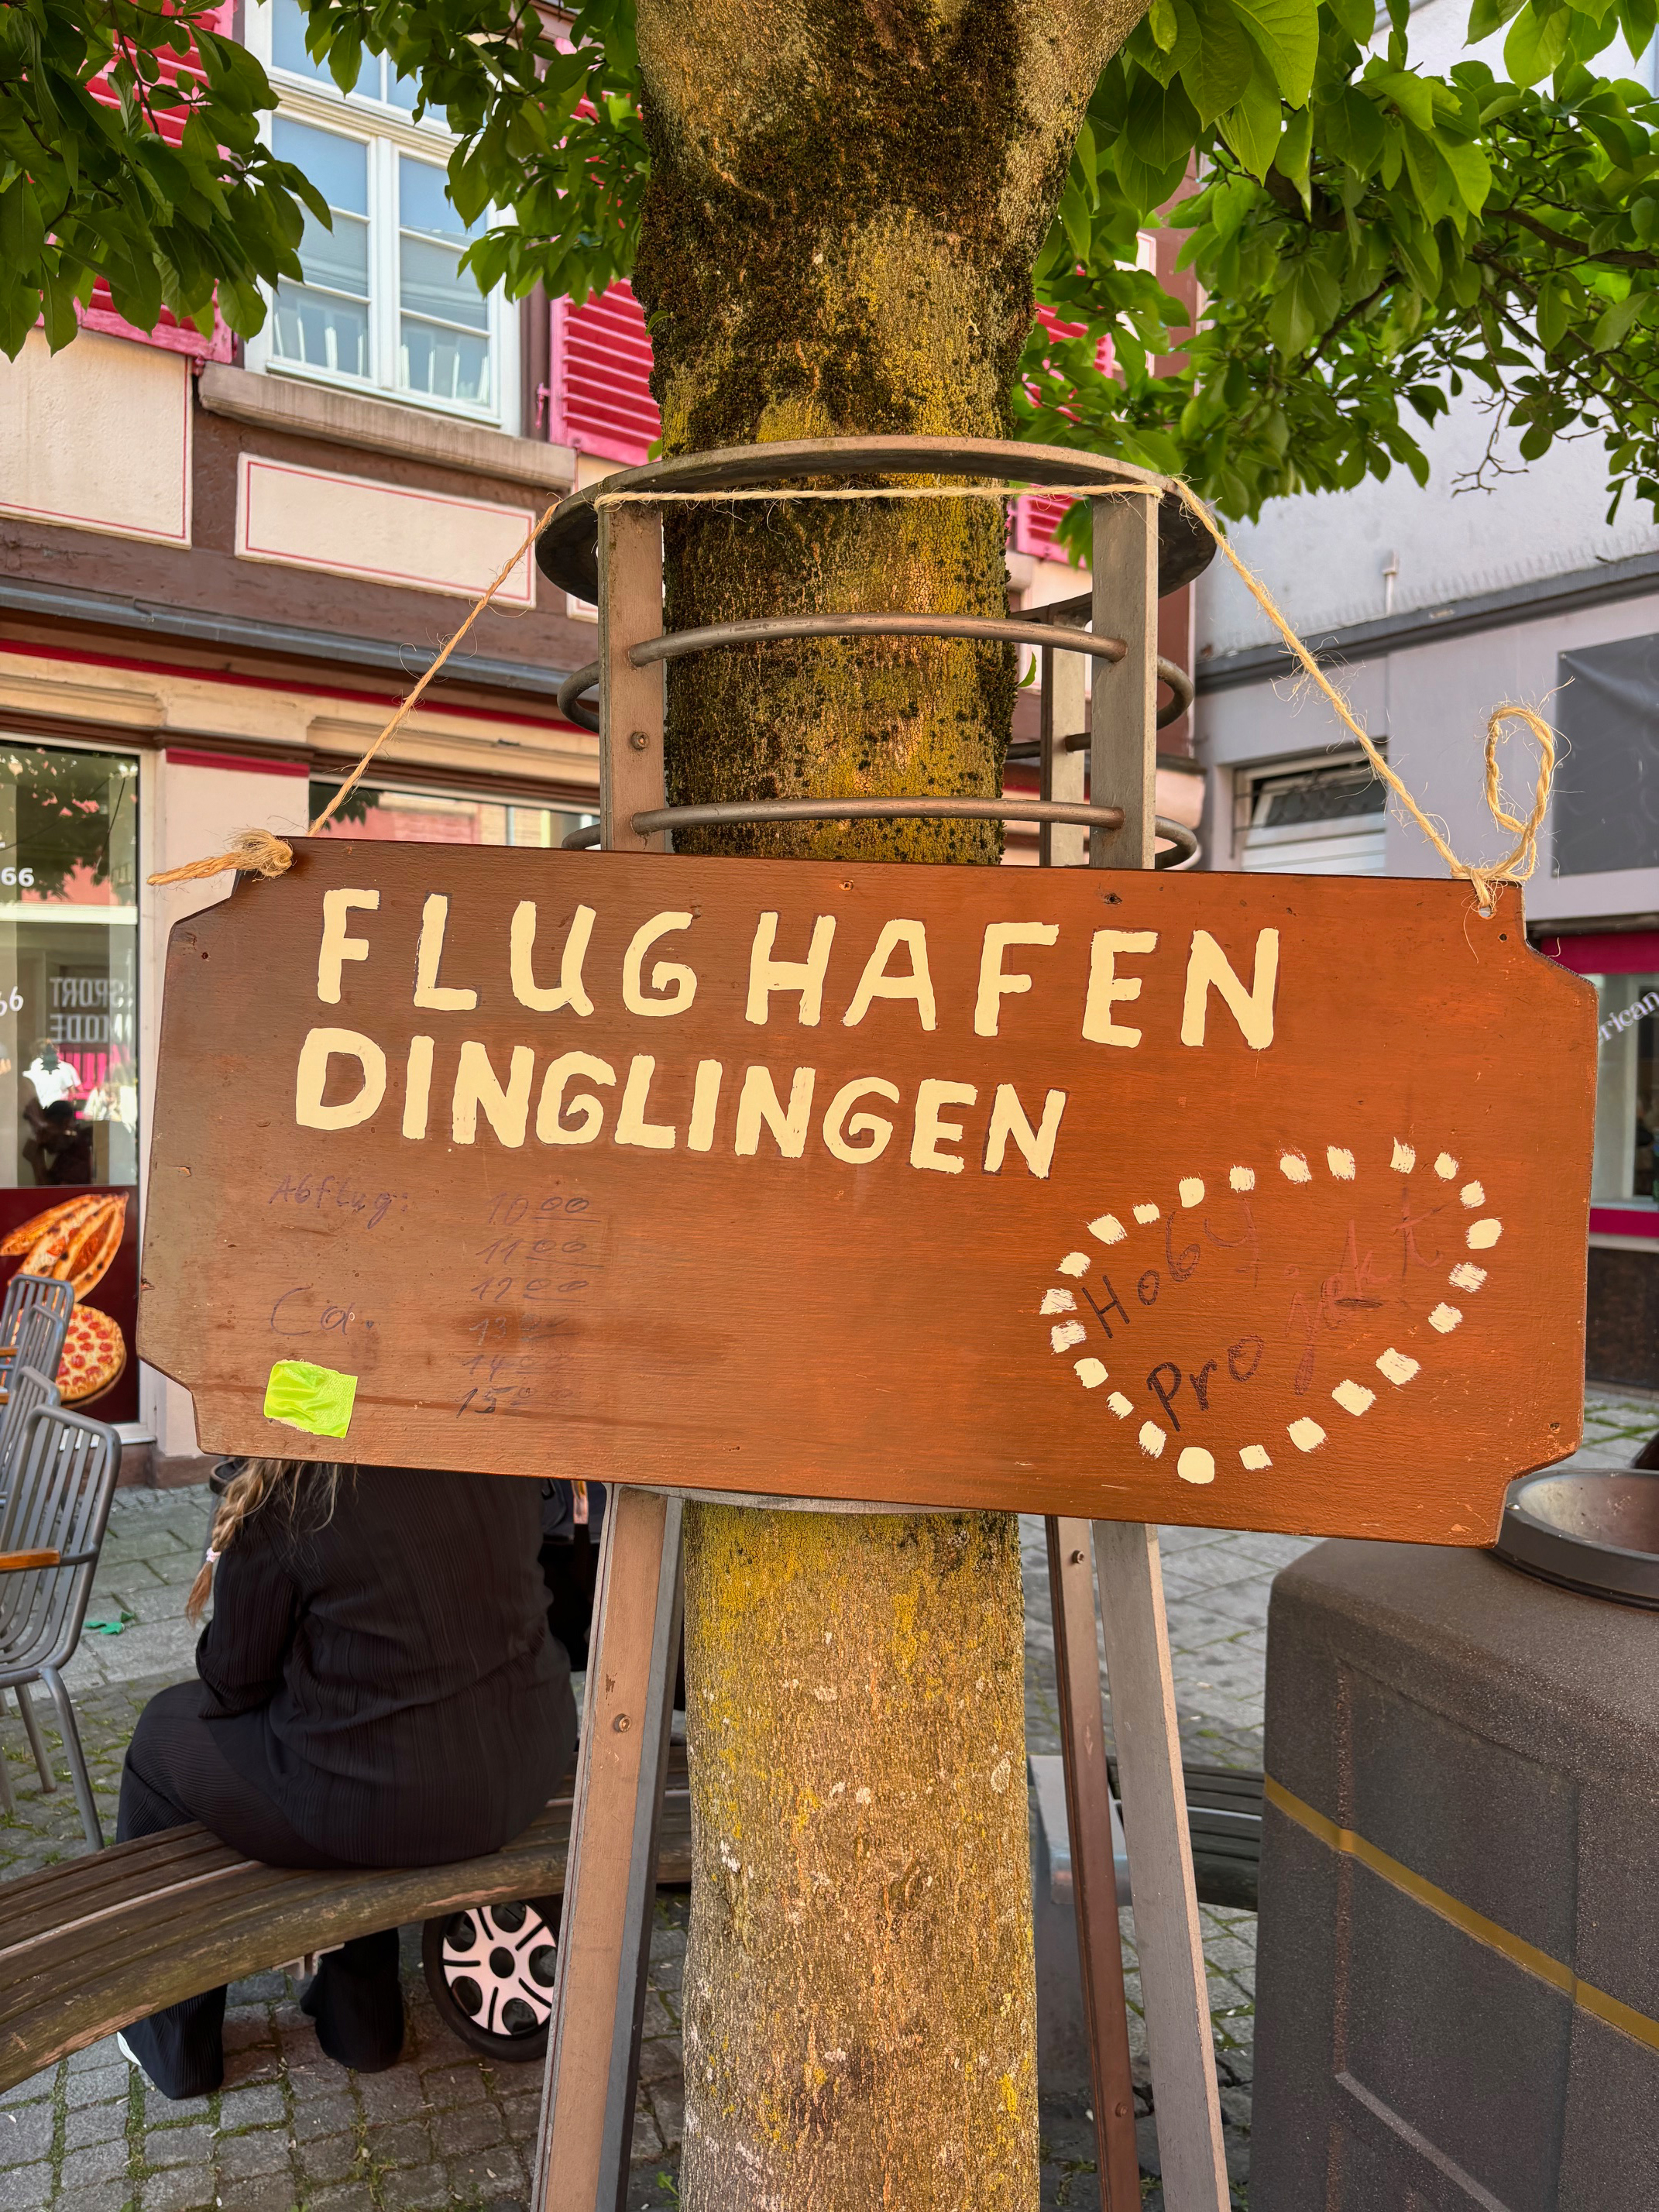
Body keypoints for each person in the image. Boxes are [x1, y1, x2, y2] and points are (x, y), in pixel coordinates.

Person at [116, 1458, 575, 2100]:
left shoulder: (292, 1493)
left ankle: (174, 2044)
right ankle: (359, 2019)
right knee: (355, 1740)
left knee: (159, 1740)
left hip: (388, 1798)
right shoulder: (487, 1447)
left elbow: (231, 1684)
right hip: (523, 1764)